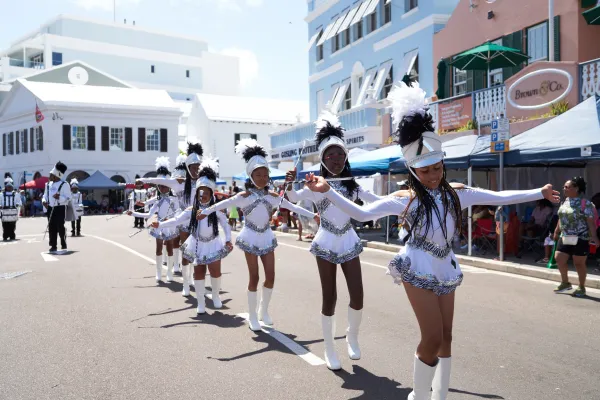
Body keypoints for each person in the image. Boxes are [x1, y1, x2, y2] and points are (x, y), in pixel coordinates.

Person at [305, 81, 559, 400]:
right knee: (432, 335)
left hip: (445, 265)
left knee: (447, 336)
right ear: (413, 171)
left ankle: (439, 395)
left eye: (437, 168)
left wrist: (538, 193)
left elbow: (497, 197)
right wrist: (327, 191)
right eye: (425, 171)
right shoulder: (405, 199)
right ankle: (420, 395)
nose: (434, 175)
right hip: (416, 264)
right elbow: (363, 214)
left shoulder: (457, 194)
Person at [285, 110, 383, 370]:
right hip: (326, 241)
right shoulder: (315, 185)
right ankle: (329, 347)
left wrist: (404, 200)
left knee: (358, 295)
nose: (336, 159)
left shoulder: (352, 184)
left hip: (349, 240)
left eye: (340, 154)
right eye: (331, 155)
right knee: (330, 297)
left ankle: (352, 336)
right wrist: (288, 183)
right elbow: (293, 200)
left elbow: (377, 202)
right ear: (323, 159)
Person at [198, 138, 318, 331]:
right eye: (258, 174)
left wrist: (314, 215)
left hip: (267, 237)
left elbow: (291, 205)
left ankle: (264, 310)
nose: (262, 177)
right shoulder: (243, 197)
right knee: (254, 277)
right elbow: (222, 204)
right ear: (251, 176)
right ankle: (253, 316)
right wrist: (205, 211)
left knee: (270, 276)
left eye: (265, 174)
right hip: (250, 237)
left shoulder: (273, 197)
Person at [153, 158, 233, 314]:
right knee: (199, 272)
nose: (202, 195)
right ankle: (201, 302)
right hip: (196, 244)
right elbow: (176, 220)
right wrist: (160, 224)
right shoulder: (191, 209)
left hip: (213, 243)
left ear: (211, 193)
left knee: (216, 271)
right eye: (200, 192)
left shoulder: (216, 209)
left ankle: (216, 297)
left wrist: (228, 239)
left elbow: (225, 224)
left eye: (206, 192)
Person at [141, 142, 203, 295]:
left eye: (198, 167)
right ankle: (186, 284)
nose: (196, 170)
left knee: (197, 251)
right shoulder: (178, 183)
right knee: (186, 250)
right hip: (183, 220)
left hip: (199, 219)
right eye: (193, 168)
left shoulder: (203, 181)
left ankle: (194, 278)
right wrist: (143, 181)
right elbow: (160, 181)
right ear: (188, 168)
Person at [128, 157, 180, 283]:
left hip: (170, 225)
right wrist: (133, 213)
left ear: (169, 187)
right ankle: (158, 272)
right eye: (160, 187)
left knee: (169, 248)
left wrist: (171, 218)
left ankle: (169, 272)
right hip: (159, 226)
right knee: (158, 248)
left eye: (165, 187)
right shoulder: (157, 200)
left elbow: (178, 212)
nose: (163, 189)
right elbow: (148, 214)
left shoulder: (175, 199)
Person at [553, 177, 599, 297]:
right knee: (559, 258)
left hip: (581, 237)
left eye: (567, 187)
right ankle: (565, 282)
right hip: (565, 236)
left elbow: (590, 222)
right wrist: (556, 231)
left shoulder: (586, 204)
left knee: (578, 263)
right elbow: (561, 218)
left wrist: (594, 236)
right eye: (564, 187)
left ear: (576, 188)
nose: (565, 189)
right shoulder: (565, 201)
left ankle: (581, 287)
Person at [42, 162, 72, 253]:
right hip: (50, 208)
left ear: (57, 175)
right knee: (51, 227)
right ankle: (53, 245)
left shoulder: (64, 184)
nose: (50, 176)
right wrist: (43, 201)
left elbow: (68, 198)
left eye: (52, 174)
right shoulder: (47, 185)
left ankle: (63, 242)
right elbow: (45, 195)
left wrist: (59, 197)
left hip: (60, 208)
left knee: (60, 226)